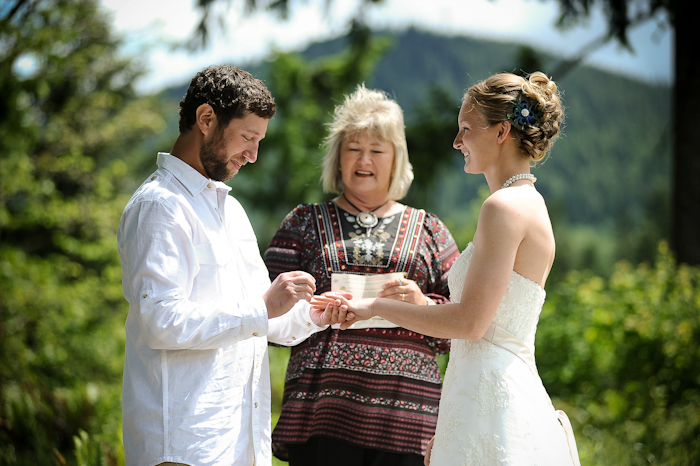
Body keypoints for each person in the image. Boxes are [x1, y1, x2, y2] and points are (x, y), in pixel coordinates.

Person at [314, 72, 581, 466]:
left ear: (501, 131)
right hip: (483, 393)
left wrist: (375, 307)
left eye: (466, 129)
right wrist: (422, 305)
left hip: (491, 403)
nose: (457, 142)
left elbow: (470, 324)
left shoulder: (503, 208)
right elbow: (488, 324)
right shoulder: (529, 203)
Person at [117, 65, 350, 466]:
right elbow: (161, 321)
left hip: (238, 442)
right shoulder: (160, 206)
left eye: (259, 141)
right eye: (247, 138)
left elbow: (262, 323)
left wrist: (316, 315)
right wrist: (263, 308)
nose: (254, 155)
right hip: (184, 445)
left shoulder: (231, 210)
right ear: (206, 119)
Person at [263, 84, 460, 465]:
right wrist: (311, 312)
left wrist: (420, 303)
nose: (363, 159)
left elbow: (463, 324)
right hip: (323, 414)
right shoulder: (302, 222)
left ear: (396, 159)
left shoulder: (430, 230)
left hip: (409, 419)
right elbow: (263, 318)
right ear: (338, 158)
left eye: (376, 150)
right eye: (353, 148)